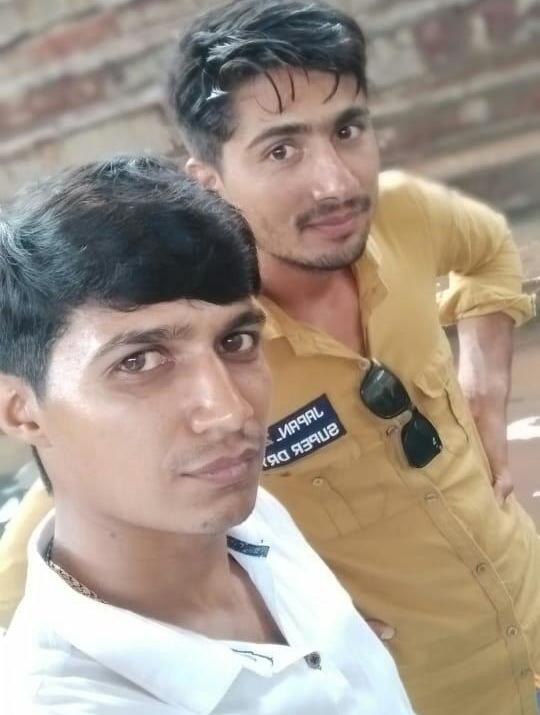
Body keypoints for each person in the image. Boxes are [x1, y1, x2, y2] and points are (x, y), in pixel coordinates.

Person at [0, 1, 538, 713]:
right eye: (281, 150)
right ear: (209, 180)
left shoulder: (405, 216)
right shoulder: (193, 362)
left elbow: (490, 249)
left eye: (347, 130)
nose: (336, 183)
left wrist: (485, 392)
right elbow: (60, 535)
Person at [0, 155, 416, 714]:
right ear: (21, 412)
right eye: (139, 361)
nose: (229, 412)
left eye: (236, 342)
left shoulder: (254, 521)